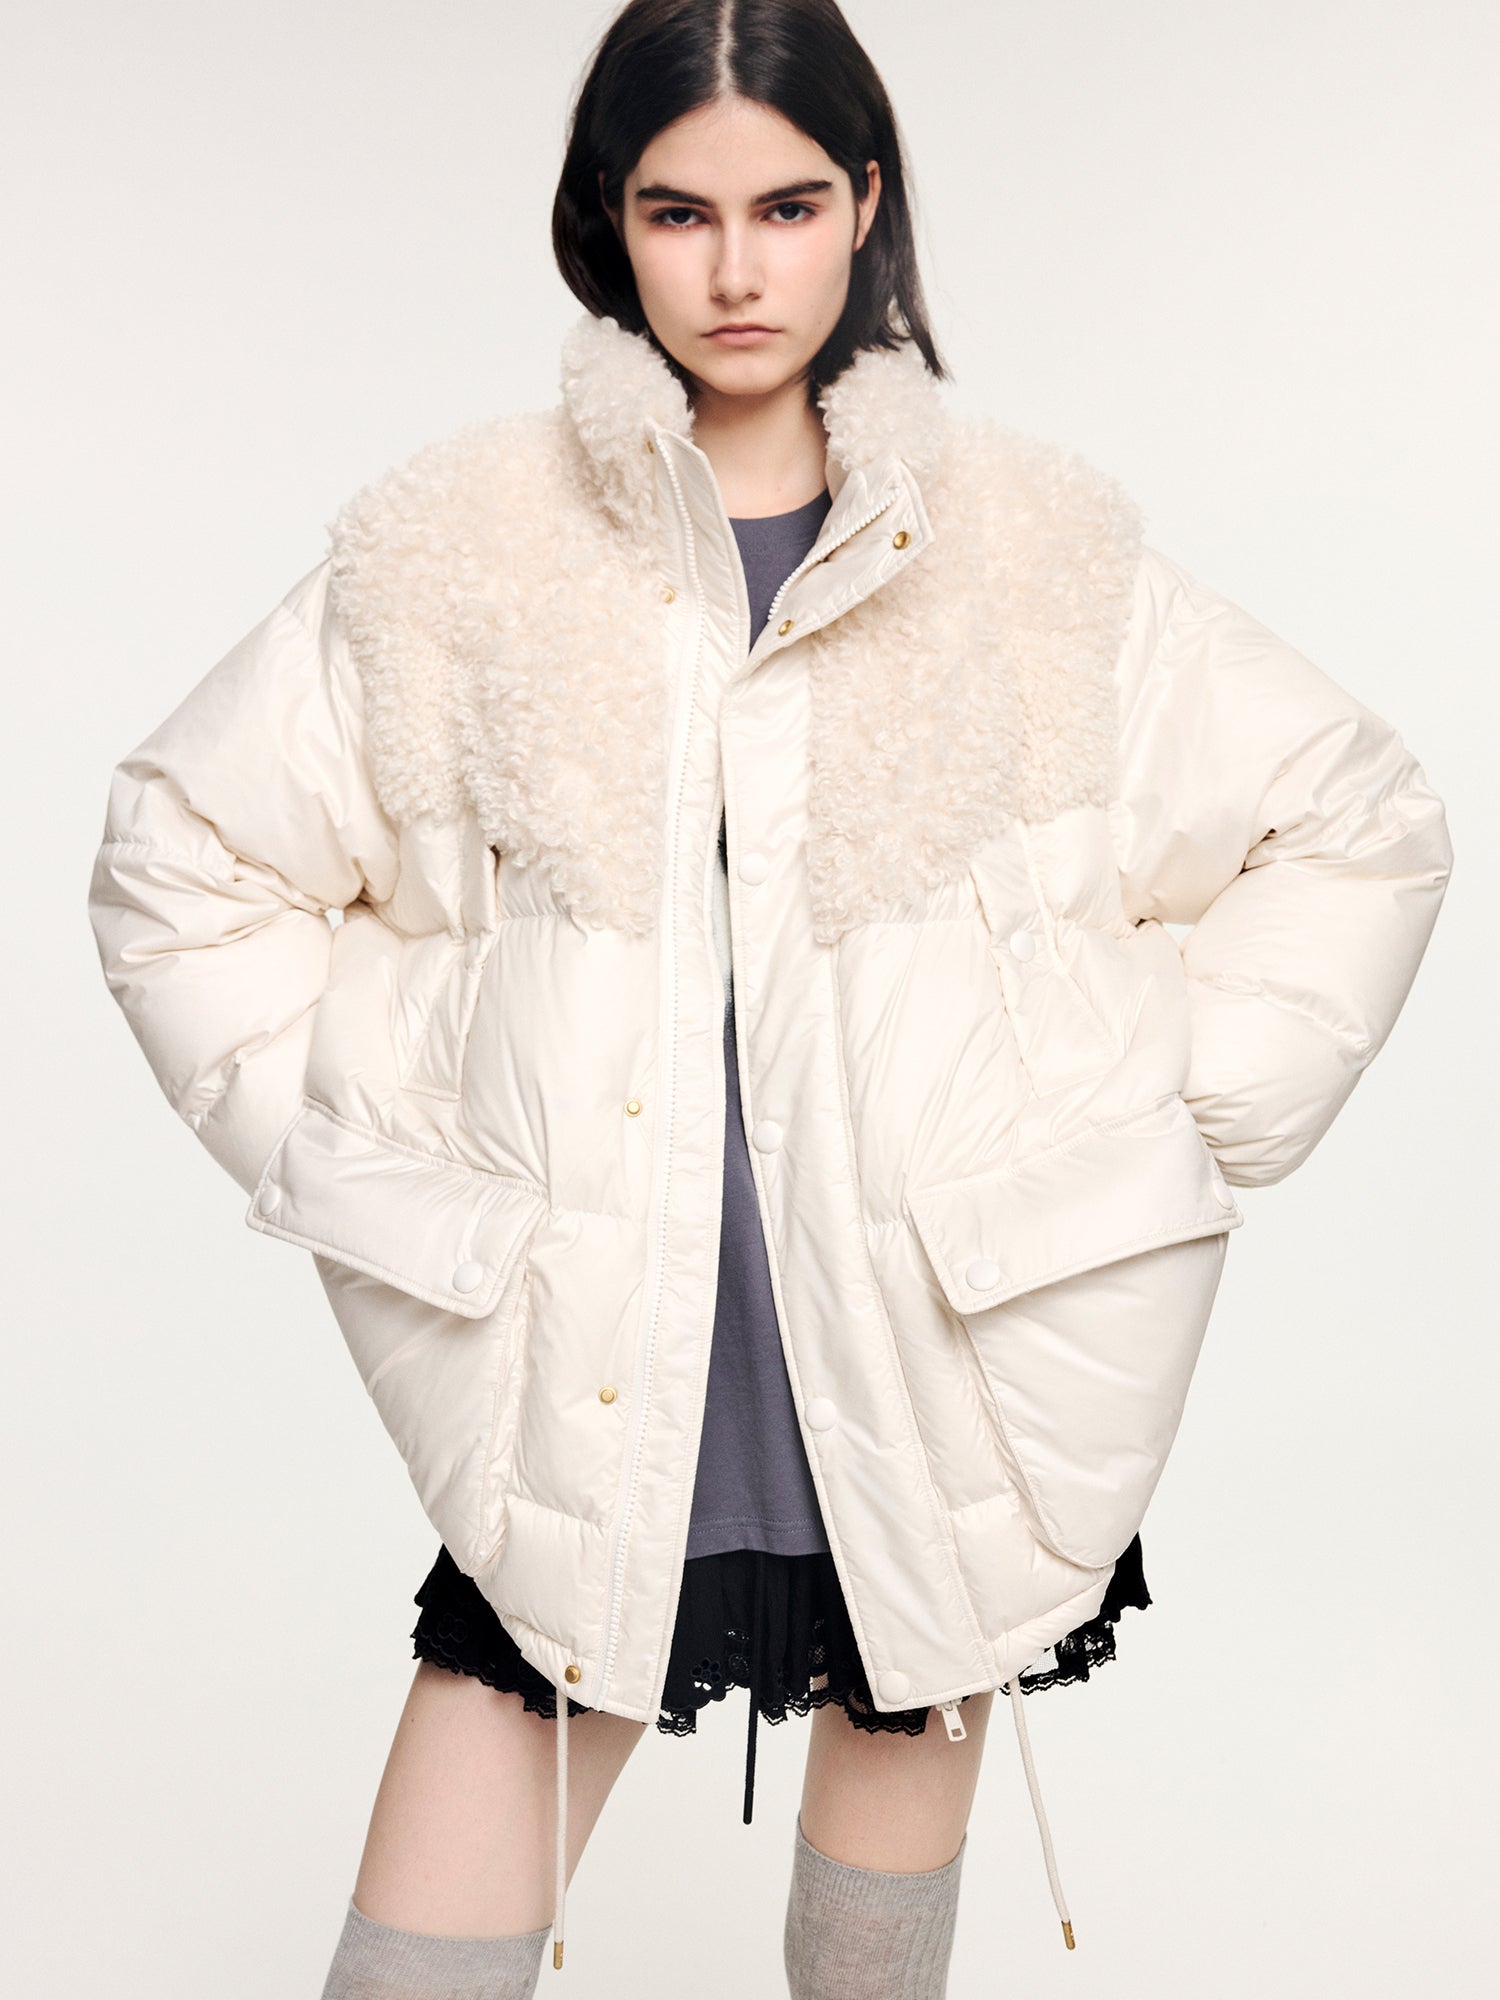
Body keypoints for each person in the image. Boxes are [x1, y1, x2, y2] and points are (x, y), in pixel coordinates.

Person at [85, 2, 1453, 1994]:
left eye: (789, 205)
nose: (738, 268)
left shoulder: (1029, 552)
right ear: (610, 223)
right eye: (681, 211)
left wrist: (1154, 1114)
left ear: (865, 206)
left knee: (870, 1963)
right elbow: (182, 858)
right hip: (591, 1356)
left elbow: (1355, 823)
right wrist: (401, 1149)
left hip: (938, 1342)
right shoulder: (463, 550)